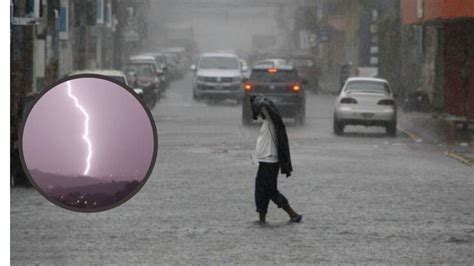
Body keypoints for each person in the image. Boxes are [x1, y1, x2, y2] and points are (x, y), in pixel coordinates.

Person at [250, 94, 302, 224]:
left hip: (269, 161)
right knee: (261, 190)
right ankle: (262, 218)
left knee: (269, 191)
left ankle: (292, 213)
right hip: (265, 161)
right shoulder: (268, 122)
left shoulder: (270, 121)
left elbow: (264, 106)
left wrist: (255, 99)